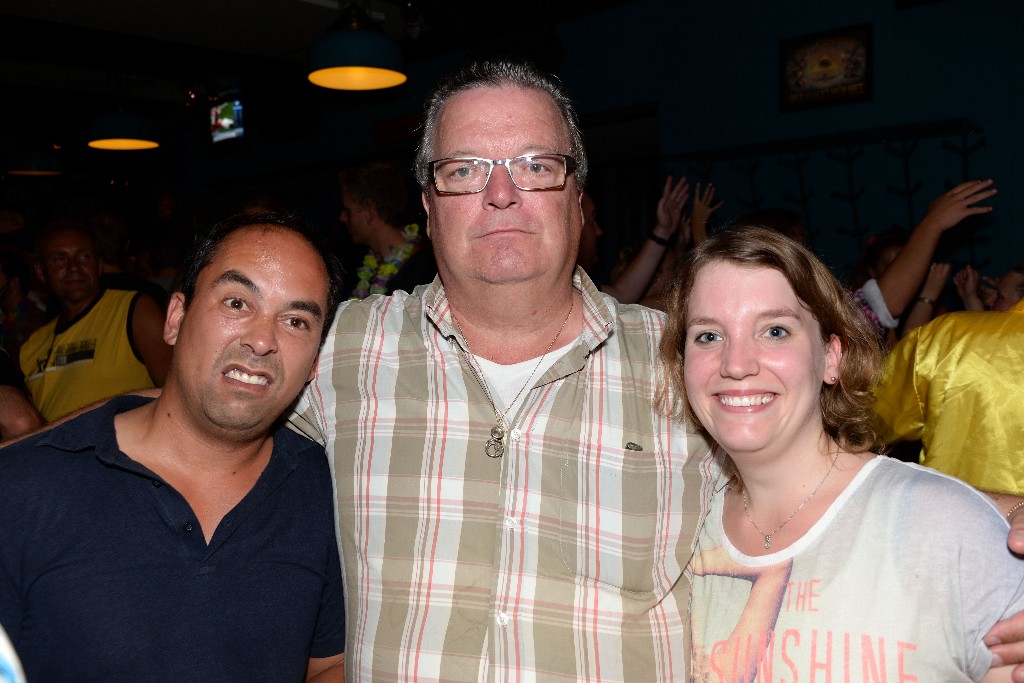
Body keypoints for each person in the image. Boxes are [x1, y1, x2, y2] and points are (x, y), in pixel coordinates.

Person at [287, 58, 709, 680]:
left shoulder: (688, 364)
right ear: (429, 208)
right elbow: (189, 420)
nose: (501, 193)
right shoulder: (341, 349)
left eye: (536, 167)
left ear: (576, 199)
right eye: (464, 171)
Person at [659, 224, 1024, 681]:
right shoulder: (677, 538)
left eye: (774, 330)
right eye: (708, 336)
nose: (736, 364)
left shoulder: (946, 531)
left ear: (831, 356)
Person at [0, 211, 347, 681]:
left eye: (296, 321)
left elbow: (327, 665)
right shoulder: (23, 490)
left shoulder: (323, 490)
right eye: (237, 302)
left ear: (313, 363)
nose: (263, 340)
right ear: (176, 318)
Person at [874, 285, 1024, 504]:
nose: (991, 298)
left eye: (1000, 294)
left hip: (951, 523)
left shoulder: (949, 337)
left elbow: (869, 424)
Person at [19, 219, 172, 421]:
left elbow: (177, 394)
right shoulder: (33, 345)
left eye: (84, 257)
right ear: (40, 272)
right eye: (59, 259)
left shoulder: (134, 311)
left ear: (99, 265)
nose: (74, 267)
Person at [578, 175, 688, 303]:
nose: (599, 231)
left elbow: (622, 295)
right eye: (591, 221)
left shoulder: (577, 288)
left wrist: (663, 230)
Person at [339, 160, 437, 298]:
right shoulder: (364, 270)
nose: (342, 217)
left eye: (347, 210)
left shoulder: (422, 272)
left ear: (368, 211)